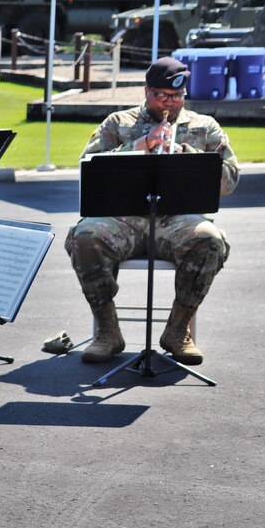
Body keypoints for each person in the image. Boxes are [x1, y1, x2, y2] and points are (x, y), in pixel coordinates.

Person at [66, 56, 237, 365]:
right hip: (123, 219)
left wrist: (187, 155)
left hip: (178, 220)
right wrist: (141, 145)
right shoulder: (119, 123)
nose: (169, 103)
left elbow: (229, 181)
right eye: (162, 96)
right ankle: (107, 331)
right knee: (85, 235)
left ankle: (177, 329)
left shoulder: (204, 126)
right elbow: (88, 167)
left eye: (177, 96)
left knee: (210, 239)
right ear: (146, 91)